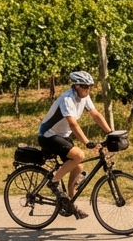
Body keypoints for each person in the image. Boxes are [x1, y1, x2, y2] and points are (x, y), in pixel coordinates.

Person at [38, 71, 112, 220]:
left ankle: (70, 203)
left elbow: (95, 114)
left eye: (90, 87)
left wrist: (110, 132)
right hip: (48, 136)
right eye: (85, 87)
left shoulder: (84, 96)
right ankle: (53, 182)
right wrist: (87, 143)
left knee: (78, 167)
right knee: (79, 155)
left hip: (62, 136)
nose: (88, 90)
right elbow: (73, 124)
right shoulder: (67, 99)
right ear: (76, 86)